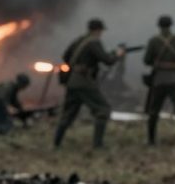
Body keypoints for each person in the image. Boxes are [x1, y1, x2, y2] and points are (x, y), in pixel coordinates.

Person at [53, 18, 125, 149]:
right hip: (84, 82)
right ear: (98, 30)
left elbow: (66, 56)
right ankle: (98, 145)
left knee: (68, 113)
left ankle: (56, 144)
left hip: (72, 81)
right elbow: (107, 61)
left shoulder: (79, 40)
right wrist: (118, 54)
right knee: (103, 110)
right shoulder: (94, 42)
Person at [143, 15, 175, 146]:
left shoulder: (153, 41)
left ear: (159, 26)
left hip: (159, 79)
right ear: (171, 25)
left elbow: (146, 60)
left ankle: (151, 141)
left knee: (153, 111)